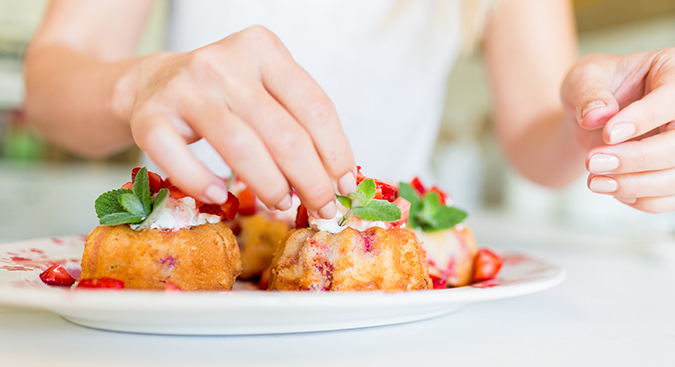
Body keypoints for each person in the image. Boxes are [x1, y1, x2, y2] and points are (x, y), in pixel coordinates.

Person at [23, 0, 675, 218]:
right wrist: (140, 84)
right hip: (181, 283)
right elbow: (49, 88)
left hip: (390, 295)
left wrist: (598, 116)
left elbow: (539, 141)